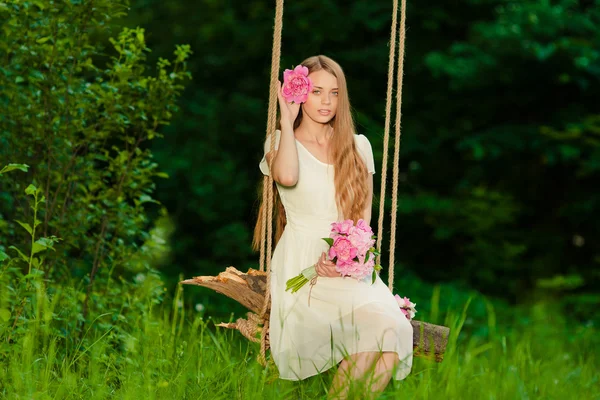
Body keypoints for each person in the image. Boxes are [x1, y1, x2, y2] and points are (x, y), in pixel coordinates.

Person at [253, 55, 413, 399]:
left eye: (335, 93)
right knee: (380, 330)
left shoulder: (358, 147)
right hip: (304, 267)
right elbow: (288, 177)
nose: (326, 102)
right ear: (300, 94)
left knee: (394, 330)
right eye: (316, 92)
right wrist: (286, 116)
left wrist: (347, 257)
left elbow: (363, 221)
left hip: (347, 267)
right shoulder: (280, 143)